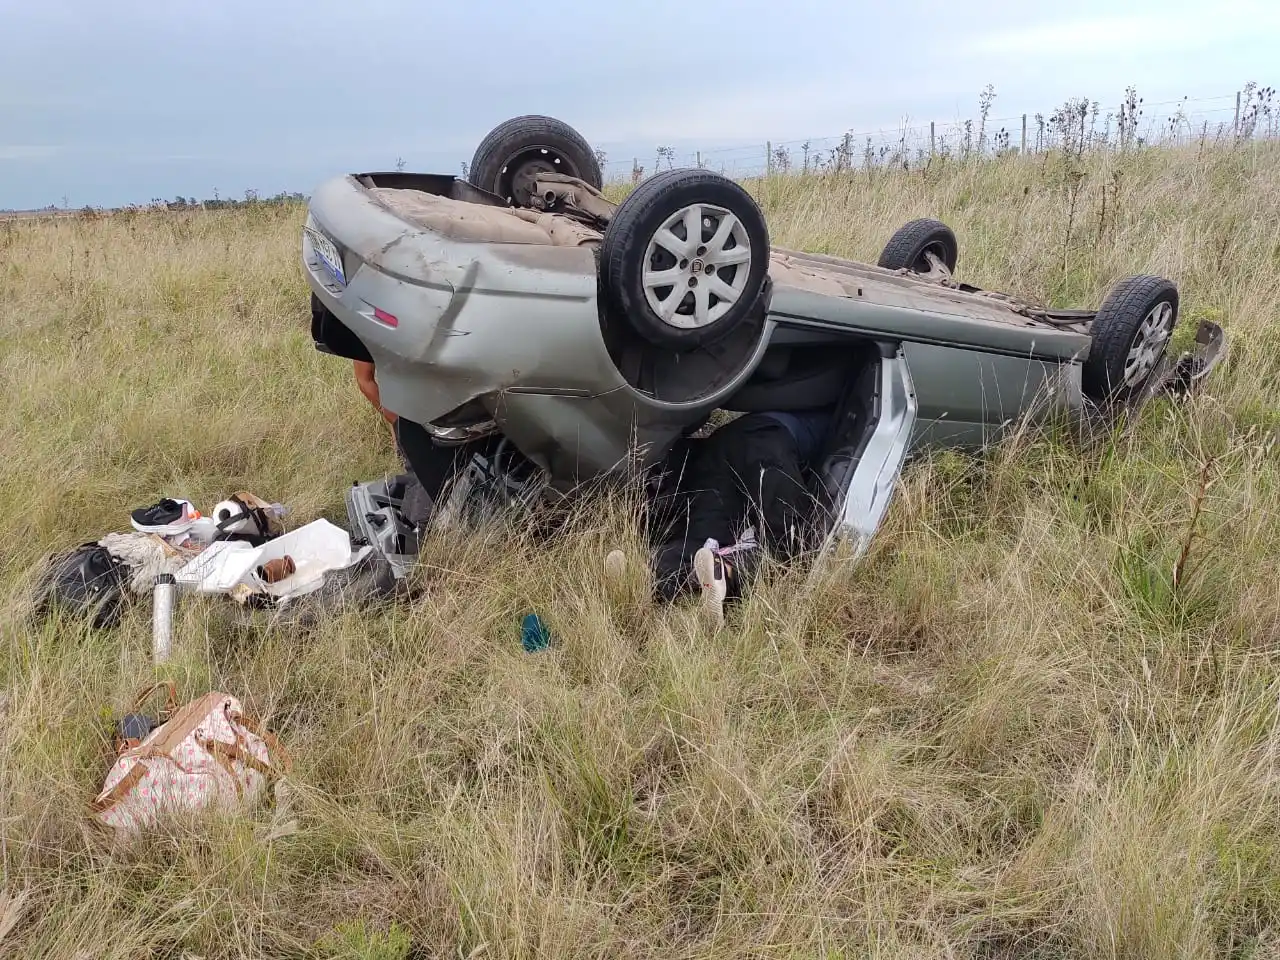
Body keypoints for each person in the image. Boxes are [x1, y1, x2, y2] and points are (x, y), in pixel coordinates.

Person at [609, 406, 834, 629]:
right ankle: (724, 571)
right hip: (765, 441)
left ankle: (645, 573)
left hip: (722, 444)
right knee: (789, 547)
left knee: (703, 539)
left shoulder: (810, 400)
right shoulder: (836, 417)